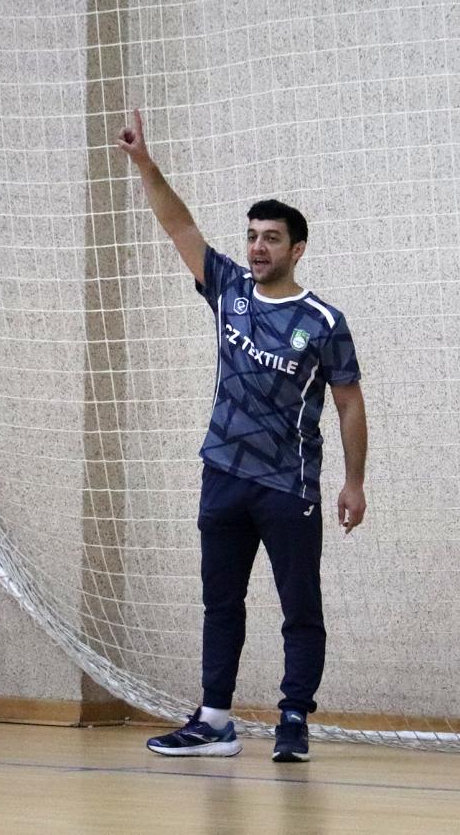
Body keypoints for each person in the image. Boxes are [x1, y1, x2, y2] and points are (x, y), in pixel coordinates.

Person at [117, 110, 367, 763]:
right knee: (220, 603)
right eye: (252, 236)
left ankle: (293, 719)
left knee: (299, 607)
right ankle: (214, 721)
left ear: (297, 249)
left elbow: (348, 404)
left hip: (288, 485)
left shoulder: (324, 321)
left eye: (271, 238)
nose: (258, 247)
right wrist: (146, 165)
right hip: (223, 474)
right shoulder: (228, 290)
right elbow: (179, 226)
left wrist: (354, 482)